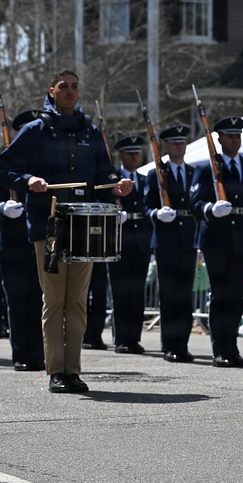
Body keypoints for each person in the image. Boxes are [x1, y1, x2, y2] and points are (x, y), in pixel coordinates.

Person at [0, 69, 132, 394]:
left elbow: (104, 173)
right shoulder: (36, 130)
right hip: (50, 226)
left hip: (85, 224)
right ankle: (56, 370)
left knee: (77, 301)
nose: (70, 92)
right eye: (63, 87)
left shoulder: (91, 131)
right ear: (51, 91)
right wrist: (27, 180)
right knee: (55, 299)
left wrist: (117, 187)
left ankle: (73, 370)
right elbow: (3, 168)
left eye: (74, 87)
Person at [189, 116, 243, 368]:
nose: (235, 140)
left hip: (241, 237)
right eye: (230, 136)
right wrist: (210, 208)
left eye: (238, 135)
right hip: (216, 238)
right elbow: (194, 204)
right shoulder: (207, 168)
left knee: (236, 296)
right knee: (220, 295)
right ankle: (220, 350)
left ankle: (233, 347)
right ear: (218, 139)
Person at [0, 109, 43, 371]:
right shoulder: (6, 163)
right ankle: (21, 354)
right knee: (16, 301)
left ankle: (38, 352)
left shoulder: (44, 165)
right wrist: (3, 208)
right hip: (12, 242)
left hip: (37, 239)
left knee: (38, 299)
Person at [145, 124, 198, 363]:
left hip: (187, 238)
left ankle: (183, 345)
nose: (180, 146)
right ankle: (169, 345)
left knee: (185, 294)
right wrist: (157, 214)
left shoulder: (193, 172)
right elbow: (146, 208)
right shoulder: (156, 173)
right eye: (175, 142)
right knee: (168, 294)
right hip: (166, 239)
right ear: (165, 146)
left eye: (183, 142)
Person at [107, 134, 151, 355]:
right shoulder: (112, 180)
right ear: (121, 155)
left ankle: (134, 338)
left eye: (137, 153)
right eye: (130, 153)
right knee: (121, 292)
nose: (135, 157)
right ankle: (122, 338)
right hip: (120, 240)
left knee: (137, 292)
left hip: (141, 240)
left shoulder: (145, 180)